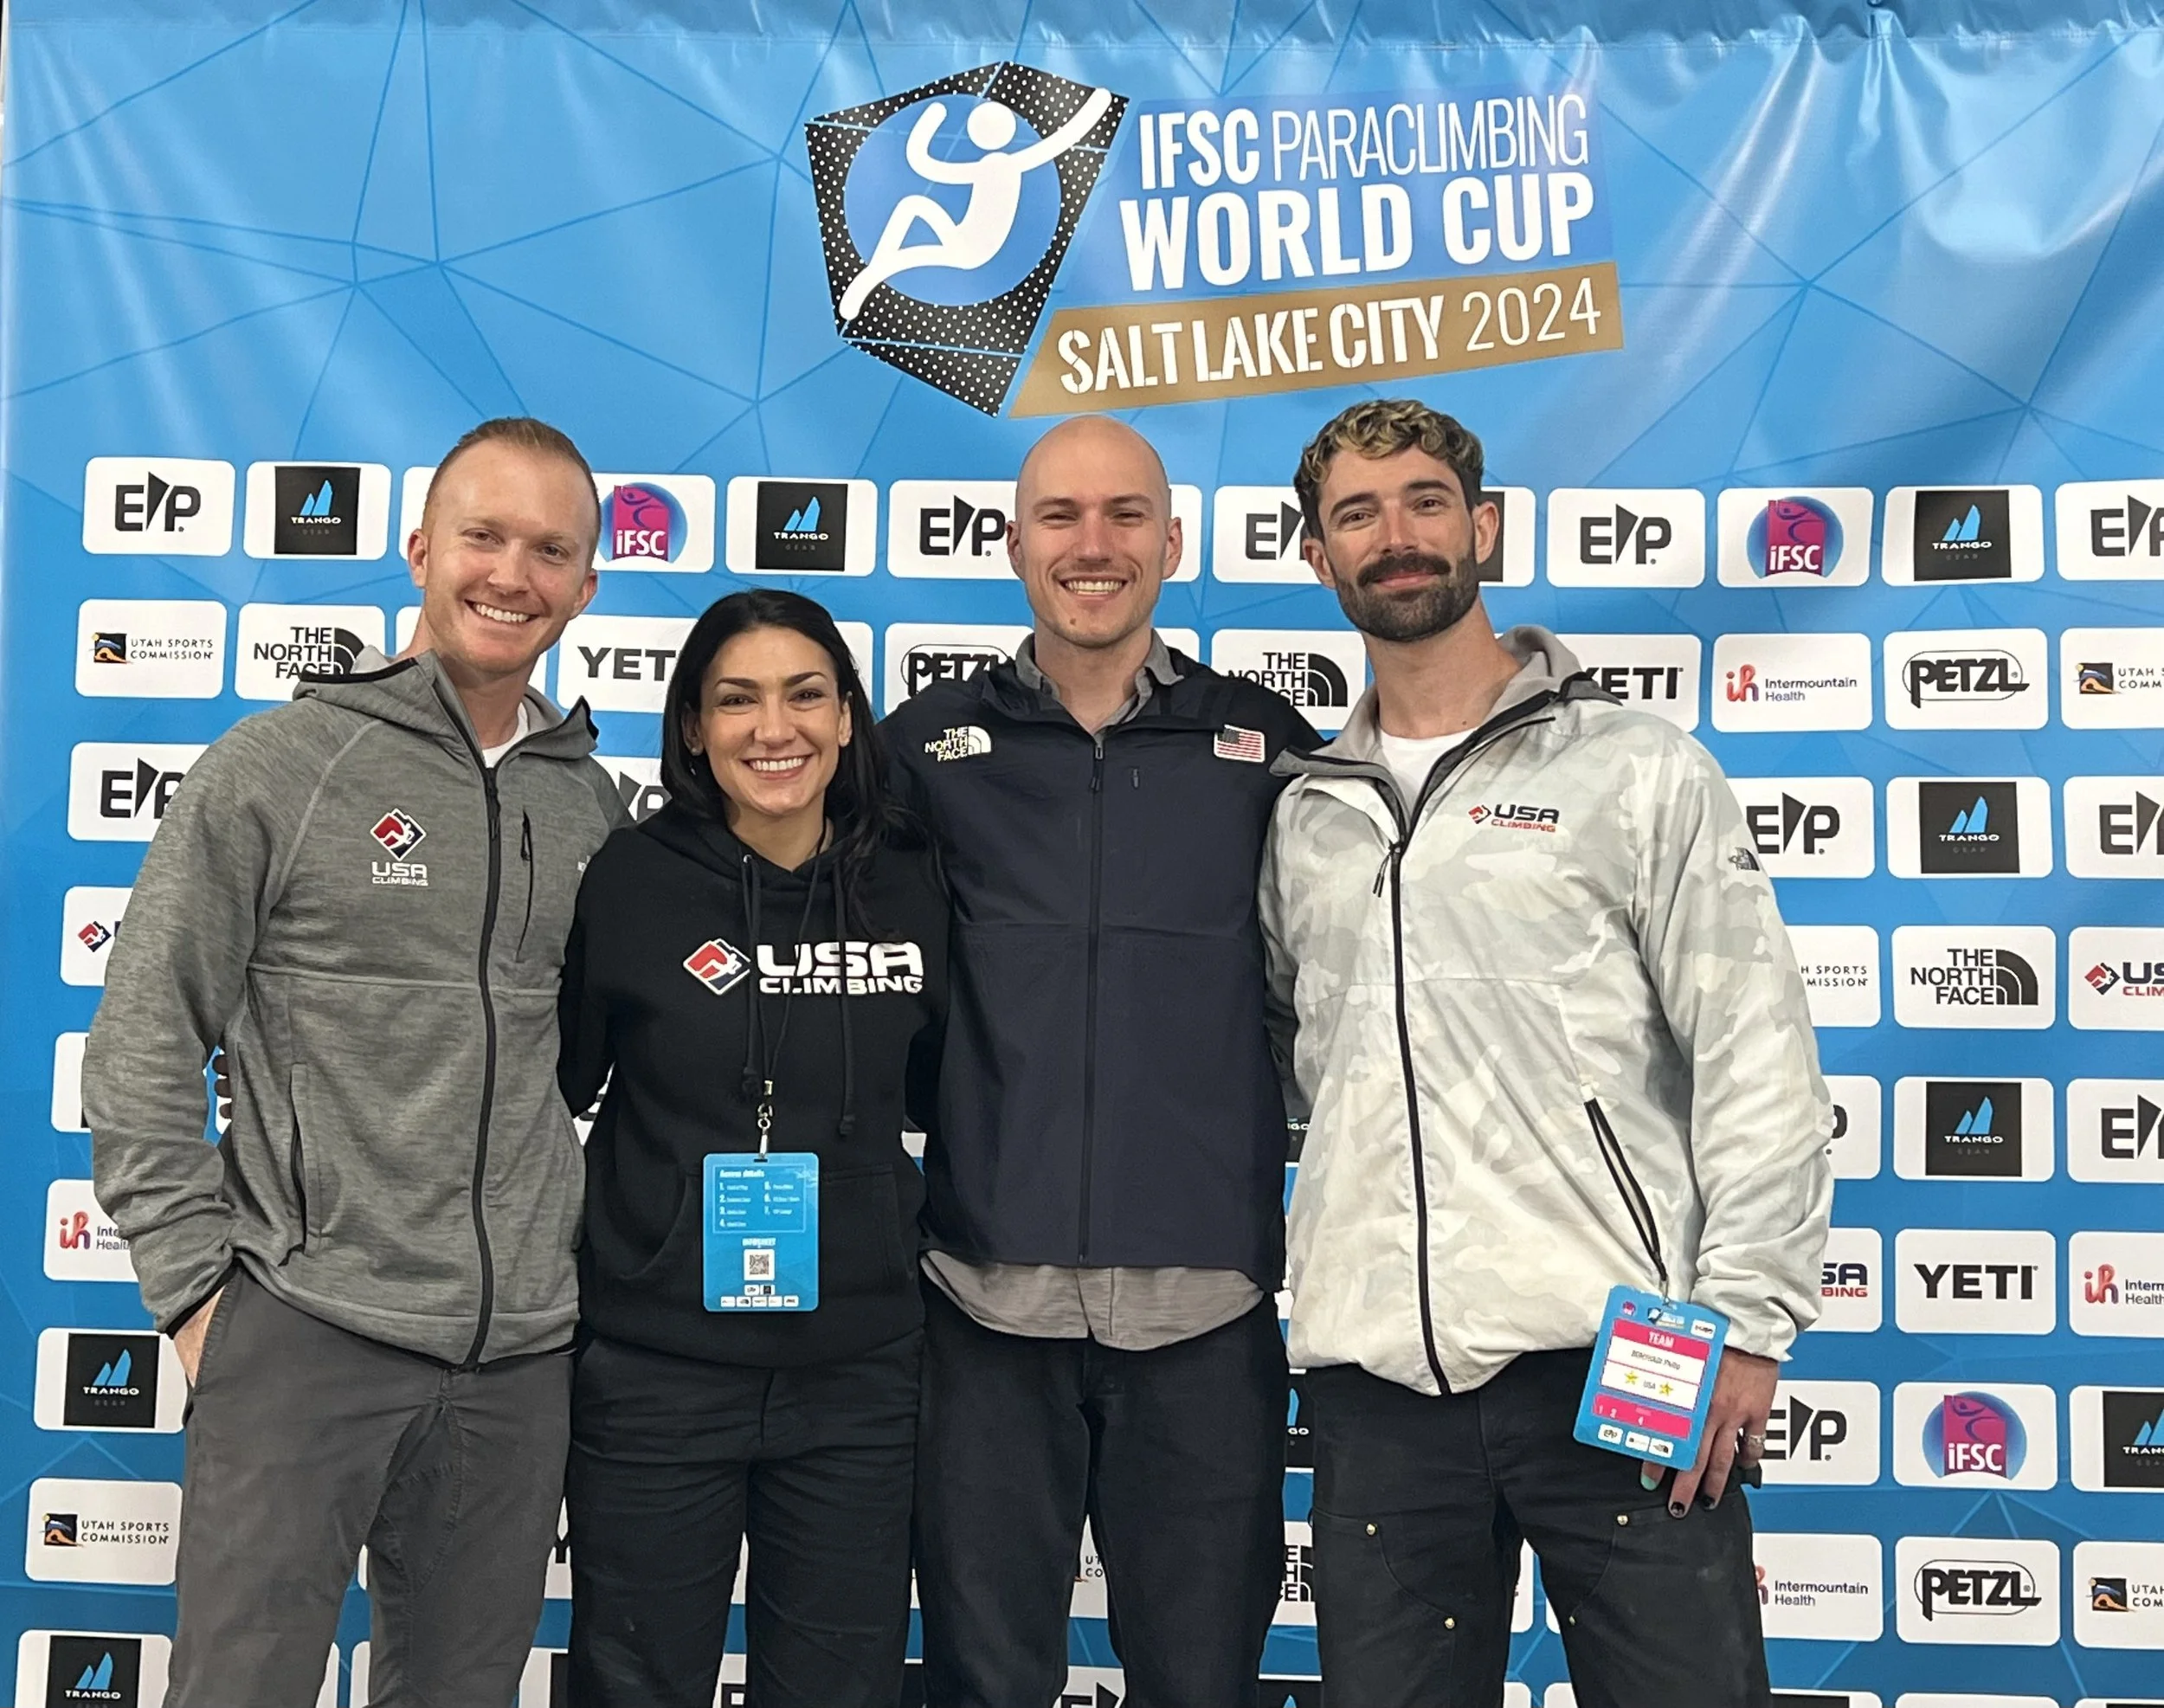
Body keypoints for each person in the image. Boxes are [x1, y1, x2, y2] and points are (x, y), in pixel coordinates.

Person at [1259, 397, 1833, 1708]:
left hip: (1620, 1358)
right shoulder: (1305, 815)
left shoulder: (1635, 769)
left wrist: (1747, 1321)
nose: (1394, 537)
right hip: (1377, 1383)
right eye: (1356, 514)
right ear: (1317, 554)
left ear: (1486, 526)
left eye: (1422, 503)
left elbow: (1757, 1054)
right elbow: (1311, 1067)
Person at [82, 416, 626, 1708]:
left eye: (550, 549)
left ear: (588, 584)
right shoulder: (281, 768)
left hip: (515, 1363)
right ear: (420, 545)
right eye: (483, 536)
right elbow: (144, 1039)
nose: (512, 574)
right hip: (306, 1332)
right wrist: (201, 1298)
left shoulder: (590, 804)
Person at [883, 415, 1316, 1708]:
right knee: (985, 1678)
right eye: (1061, 515)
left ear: (1173, 541)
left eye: (1126, 514)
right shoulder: (922, 748)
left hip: (1204, 1313)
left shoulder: (1264, 745)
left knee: (1200, 1683)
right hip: (980, 1302)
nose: (1094, 544)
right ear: (1013, 542)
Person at [558, 590, 948, 1708]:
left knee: (840, 1686)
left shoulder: (914, 882)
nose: (772, 728)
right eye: (737, 700)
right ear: (691, 727)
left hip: (860, 1373)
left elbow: (936, 1086)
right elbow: (562, 1083)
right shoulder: (630, 880)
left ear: (844, 719)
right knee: (634, 1682)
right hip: (655, 1367)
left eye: (803, 695)